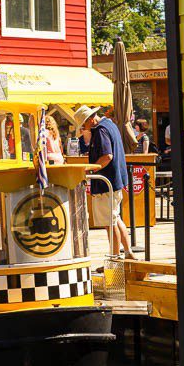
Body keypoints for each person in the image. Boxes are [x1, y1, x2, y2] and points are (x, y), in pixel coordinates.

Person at [74, 104, 134, 259]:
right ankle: (128, 253)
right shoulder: (109, 124)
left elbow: (107, 156)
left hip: (106, 183)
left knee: (110, 222)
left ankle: (114, 258)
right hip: (115, 181)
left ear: (90, 120)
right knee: (115, 218)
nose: (83, 129)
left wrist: (91, 170)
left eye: (83, 125)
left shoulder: (100, 130)